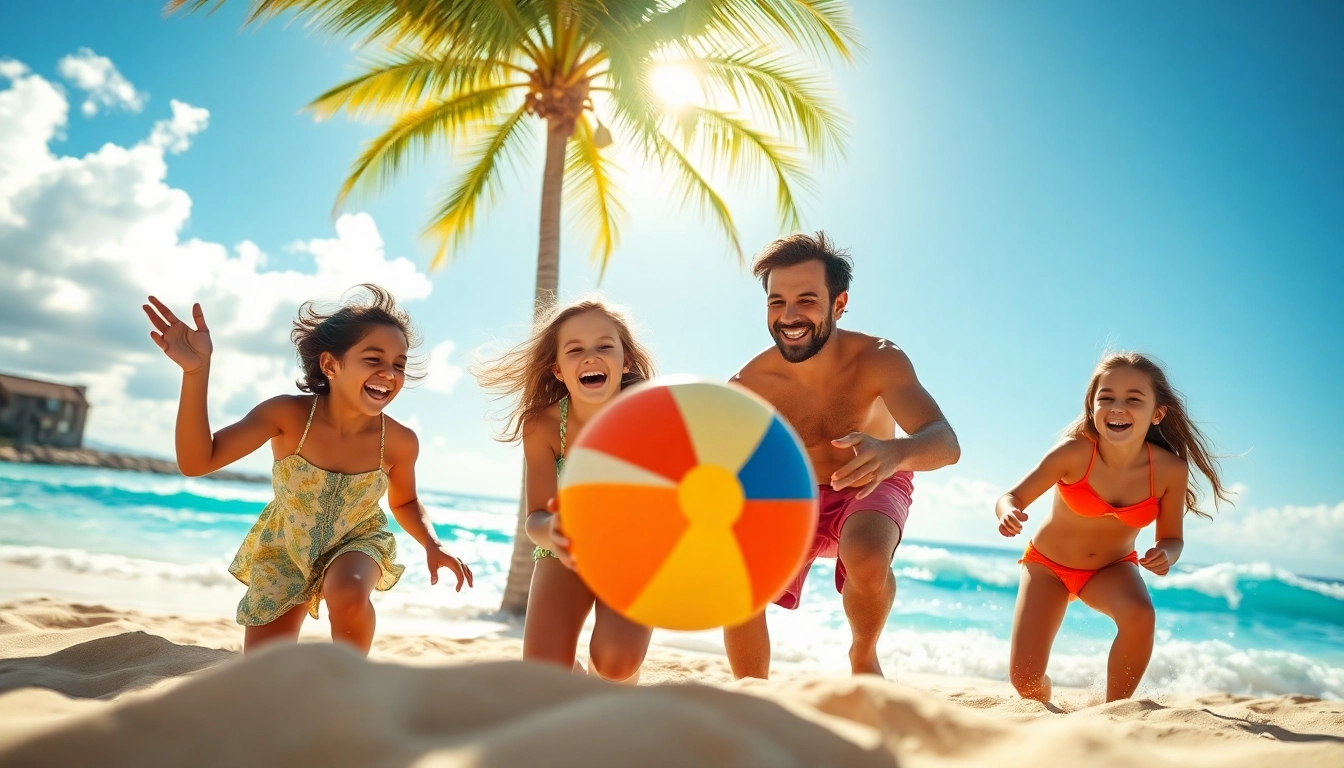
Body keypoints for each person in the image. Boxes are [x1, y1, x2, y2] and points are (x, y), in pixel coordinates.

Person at [142, 285, 472, 655]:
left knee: (347, 592)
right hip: (285, 548)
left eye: (399, 364)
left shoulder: (399, 441)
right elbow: (197, 462)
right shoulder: (288, 415)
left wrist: (433, 542)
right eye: (373, 359)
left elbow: (406, 501)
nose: (389, 373)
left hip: (358, 542)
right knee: (264, 671)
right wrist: (196, 371)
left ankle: (350, 679)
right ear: (331, 365)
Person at [724, 232, 961, 679]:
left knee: (868, 558)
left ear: (839, 303)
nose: (789, 317)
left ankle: (863, 654)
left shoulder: (879, 360)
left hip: (870, 479)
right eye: (777, 303)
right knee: (737, 575)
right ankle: (751, 695)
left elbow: (945, 443)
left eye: (806, 300)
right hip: (790, 494)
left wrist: (894, 454)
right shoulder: (748, 385)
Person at [996, 352, 1230, 702]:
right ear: (1092, 406)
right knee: (1025, 683)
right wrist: (1008, 513)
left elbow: (1172, 538)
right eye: (1106, 398)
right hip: (1048, 568)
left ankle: (1113, 711)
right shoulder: (1073, 452)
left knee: (1140, 614)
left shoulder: (1169, 470)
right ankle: (1042, 700)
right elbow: (1011, 496)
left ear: (1157, 413)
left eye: (1133, 400)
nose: (1117, 407)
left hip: (1110, 569)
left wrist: (1165, 554)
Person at [473, 298, 656, 681]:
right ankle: (577, 685)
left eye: (605, 346)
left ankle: (613, 678)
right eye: (575, 350)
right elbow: (535, 518)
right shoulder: (543, 426)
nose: (590, 356)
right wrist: (554, 531)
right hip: (566, 550)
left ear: (627, 361)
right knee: (542, 676)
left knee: (615, 663)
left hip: (633, 552)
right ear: (558, 369)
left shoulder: (651, 416)